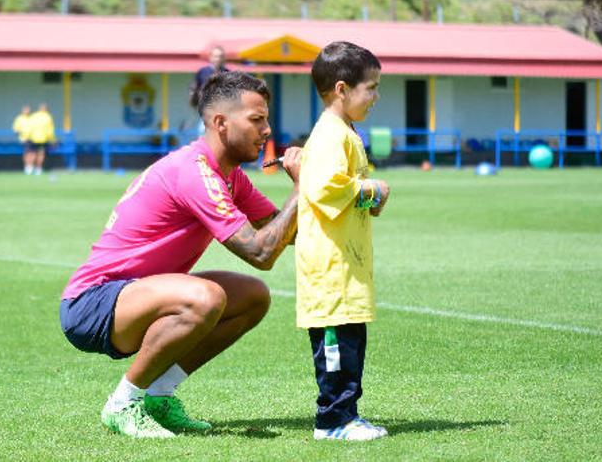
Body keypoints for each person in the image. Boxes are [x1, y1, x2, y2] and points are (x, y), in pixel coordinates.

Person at [60, 71, 302, 439]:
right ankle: (123, 403)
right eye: (256, 119)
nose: (267, 130)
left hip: (136, 294)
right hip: (93, 302)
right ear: (220, 123)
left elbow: (283, 233)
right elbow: (261, 251)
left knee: (253, 297)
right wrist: (303, 186)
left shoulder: (230, 176)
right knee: (206, 298)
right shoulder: (194, 172)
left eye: (266, 119)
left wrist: (348, 197)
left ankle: (158, 397)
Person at [296, 41, 391, 441]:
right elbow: (324, 186)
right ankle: (332, 420)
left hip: (347, 267)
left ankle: (348, 414)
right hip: (330, 270)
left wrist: (370, 197)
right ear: (341, 89)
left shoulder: (346, 132)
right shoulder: (330, 135)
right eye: (370, 87)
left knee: (351, 344)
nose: (375, 96)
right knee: (335, 347)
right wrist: (372, 189)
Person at [188, 46, 229, 135]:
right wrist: (193, 100)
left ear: (223, 58)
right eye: (215, 56)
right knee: (202, 132)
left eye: (220, 56)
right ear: (211, 57)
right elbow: (194, 88)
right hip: (206, 110)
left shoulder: (228, 73)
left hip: (223, 111)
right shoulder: (202, 72)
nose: (218, 59)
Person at [27, 103, 56, 176]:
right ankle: (38, 169)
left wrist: (27, 136)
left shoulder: (33, 116)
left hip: (33, 138)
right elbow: (50, 130)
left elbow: (29, 127)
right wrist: (53, 140)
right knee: (41, 154)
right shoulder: (48, 117)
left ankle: (29, 169)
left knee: (32, 153)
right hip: (43, 139)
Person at [12, 105, 34, 175]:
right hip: (24, 139)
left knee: (33, 153)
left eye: (28, 110)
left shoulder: (32, 118)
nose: (27, 111)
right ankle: (27, 167)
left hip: (34, 138)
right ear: (23, 111)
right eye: (26, 110)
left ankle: (31, 166)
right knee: (27, 153)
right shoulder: (19, 118)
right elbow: (15, 129)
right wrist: (20, 133)